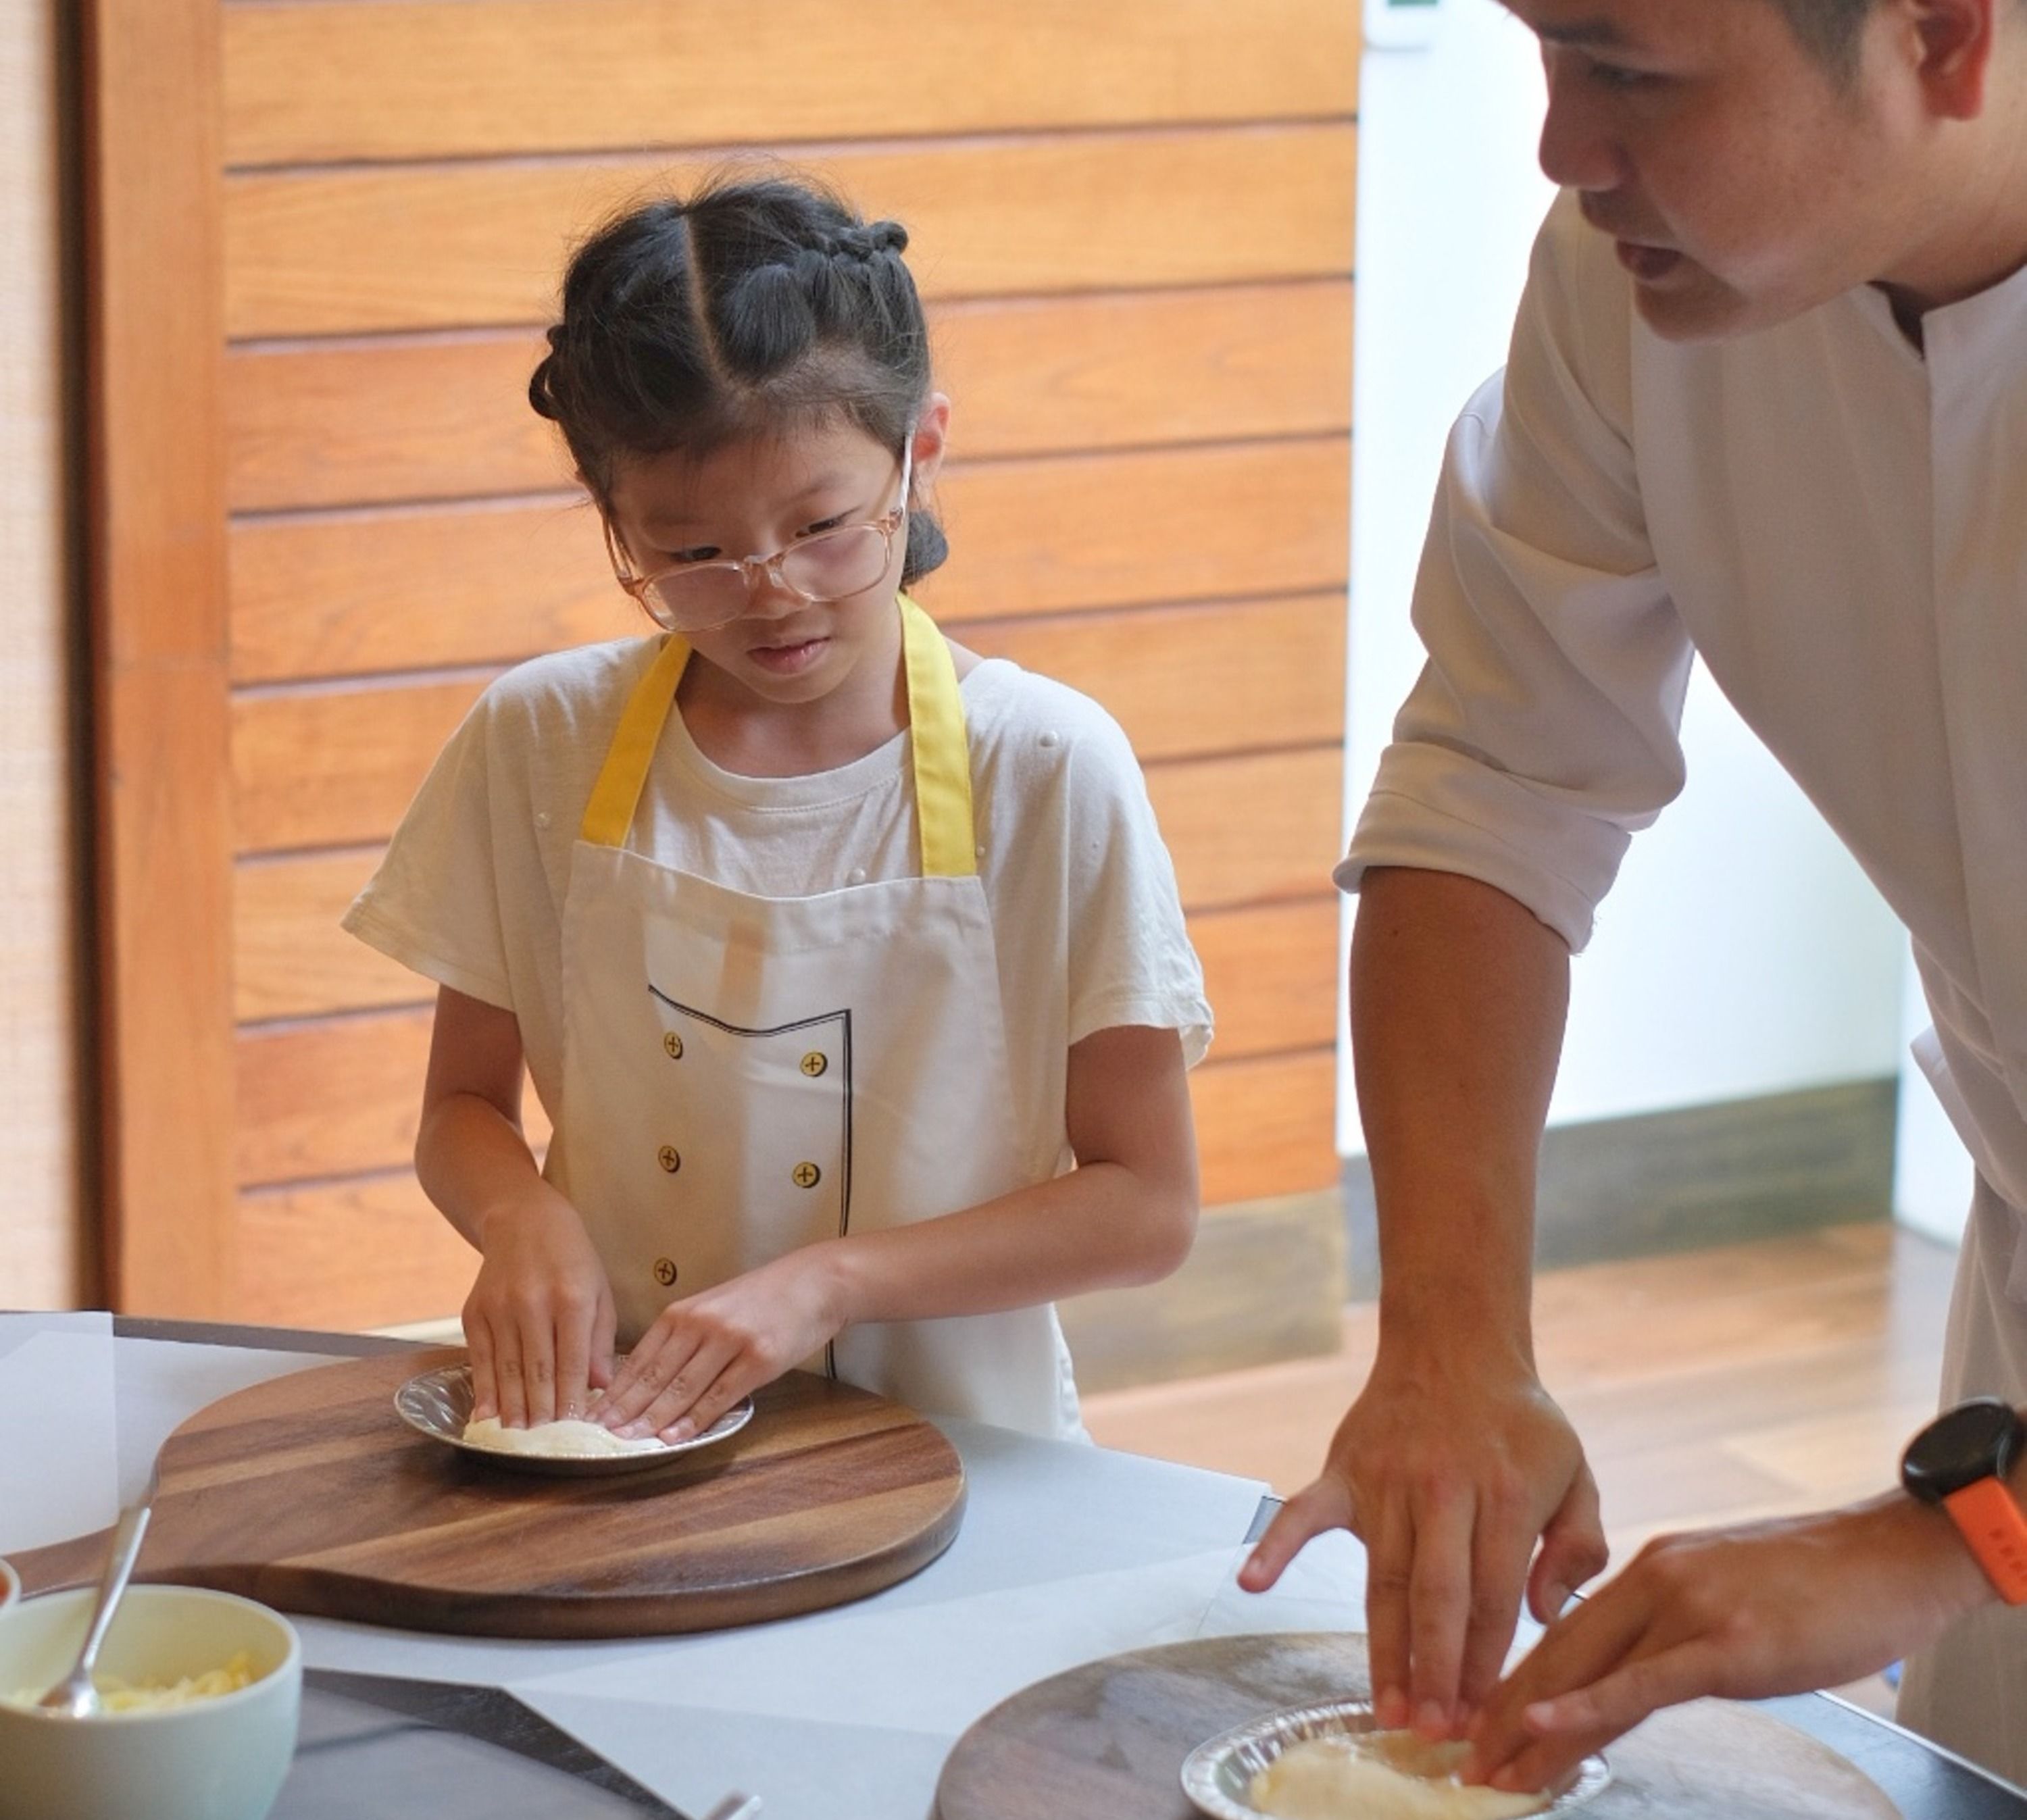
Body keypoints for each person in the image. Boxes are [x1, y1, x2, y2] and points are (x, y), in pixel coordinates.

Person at [1236, 0, 2027, 1790]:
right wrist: (1450, 1336)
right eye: (1539, 51)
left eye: (1633, 74)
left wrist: (1933, 1544)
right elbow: (1496, 780)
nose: (1560, 149)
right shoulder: (1641, 284)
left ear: (1944, 38)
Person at [342, 172, 1209, 1450]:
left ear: (920, 452)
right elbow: (460, 1112)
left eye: (820, 527)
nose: (773, 595)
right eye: (691, 554)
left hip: (961, 1449)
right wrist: (522, 1217)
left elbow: (1146, 1205)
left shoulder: (1044, 764)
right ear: (610, 517)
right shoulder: (540, 740)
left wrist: (828, 1283)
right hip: (626, 1435)